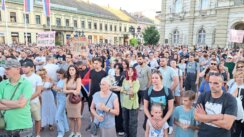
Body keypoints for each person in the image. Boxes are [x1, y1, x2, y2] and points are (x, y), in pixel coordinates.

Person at [195, 73, 237, 137]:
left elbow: (227, 125)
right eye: (210, 82)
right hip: (203, 134)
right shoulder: (203, 96)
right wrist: (217, 117)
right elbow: (196, 116)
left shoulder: (230, 99)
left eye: (215, 83)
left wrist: (205, 117)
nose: (212, 86)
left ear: (222, 84)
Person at [0, 59, 33, 136]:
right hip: (6, 126)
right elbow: (20, 104)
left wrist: (2, 100)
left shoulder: (26, 84)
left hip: (23, 127)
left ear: (18, 69)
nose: (5, 71)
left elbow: (21, 104)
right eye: (5, 69)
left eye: (8, 69)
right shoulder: (2, 84)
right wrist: (17, 103)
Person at [22, 61, 43, 137]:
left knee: (37, 119)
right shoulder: (21, 77)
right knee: (26, 120)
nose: (23, 68)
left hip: (34, 102)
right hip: (23, 103)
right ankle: (28, 134)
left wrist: (27, 99)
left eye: (26, 67)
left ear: (32, 68)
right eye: (23, 67)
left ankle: (37, 134)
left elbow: (38, 91)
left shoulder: (37, 77)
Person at [120, 67, 140, 137]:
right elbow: (122, 89)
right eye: (128, 71)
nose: (129, 72)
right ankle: (126, 134)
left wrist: (130, 84)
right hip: (125, 103)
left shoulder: (136, 81)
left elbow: (132, 92)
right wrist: (126, 91)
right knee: (125, 122)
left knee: (132, 123)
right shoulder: (125, 80)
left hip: (133, 105)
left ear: (134, 72)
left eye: (131, 71)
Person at [88, 57, 107, 129]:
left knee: (100, 109)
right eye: (94, 63)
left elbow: (106, 84)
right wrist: (89, 91)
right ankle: (93, 122)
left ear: (100, 64)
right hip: (92, 93)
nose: (94, 65)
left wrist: (104, 92)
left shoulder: (104, 73)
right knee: (91, 108)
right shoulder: (91, 71)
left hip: (100, 93)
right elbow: (90, 81)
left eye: (96, 63)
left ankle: (100, 123)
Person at [63, 65, 82, 137]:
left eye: (73, 70)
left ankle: (78, 132)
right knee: (70, 116)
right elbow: (64, 90)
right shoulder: (66, 79)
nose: (71, 71)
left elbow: (78, 91)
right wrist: (72, 91)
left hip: (76, 100)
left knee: (77, 117)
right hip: (68, 99)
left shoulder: (78, 79)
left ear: (76, 70)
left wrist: (70, 91)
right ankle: (72, 132)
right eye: (70, 70)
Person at [52, 69, 69, 137]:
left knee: (57, 116)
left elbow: (63, 89)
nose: (58, 76)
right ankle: (65, 128)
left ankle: (61, 132)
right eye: (57, 75)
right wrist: (56, 87)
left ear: (63, 74)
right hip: (58, 98)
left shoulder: (66, 80)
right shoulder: (60, 80)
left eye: (59, 75)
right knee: (62, 114)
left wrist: (56, 88)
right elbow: (57, 88)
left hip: (63, 99)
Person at [110, 63, 125, 135]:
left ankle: (120, 129)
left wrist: (115, 88)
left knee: (119, 113)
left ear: (120, 69)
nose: (116, 70)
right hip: (112, 97)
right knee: (112, 112)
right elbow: (109, 87)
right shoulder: (111, 77)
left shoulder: (123, 77)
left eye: (118, 68)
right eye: (115, 68)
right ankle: (114, 128)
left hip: (120, 97)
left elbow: (122, 88)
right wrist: (116, 88)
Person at [231, 71, 244, 137]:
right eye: (237, 77)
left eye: (241, 77)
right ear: (235, 78)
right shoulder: (233, 87)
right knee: (235, 134)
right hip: (235, 117)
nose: (239, 78)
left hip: (243, 116)